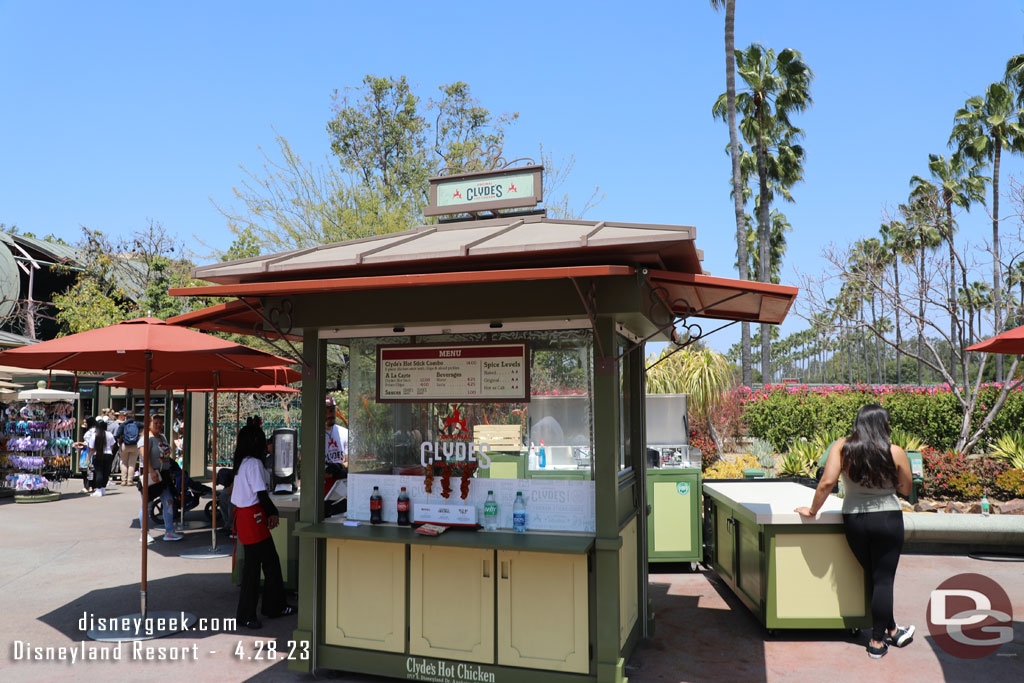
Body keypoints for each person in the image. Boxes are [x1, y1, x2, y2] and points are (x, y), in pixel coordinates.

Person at [795, 404, 915, 659]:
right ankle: (876, 641)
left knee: (873, 575)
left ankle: (892, 629)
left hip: (855, 521)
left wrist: (813, 510)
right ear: (884, 425)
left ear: (858, 423)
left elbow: (827, 483)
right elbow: (906, 489)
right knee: (883, 579)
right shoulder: (895, 452)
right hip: (888, 520)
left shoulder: (842, 447)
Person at [231, 418, 294, 629]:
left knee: (259, 565)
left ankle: (260, 609)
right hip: (254, 517)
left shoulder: (241, 463)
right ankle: (263, 609)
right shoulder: (255, 463)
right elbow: (260, 493)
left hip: (245, 517)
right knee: (266, 565)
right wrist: (272, 512)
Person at [139, 413, 183, 543]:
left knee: (169, 501)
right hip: (151, 475)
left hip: (164, 474)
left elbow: (166, 453)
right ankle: (144, 533)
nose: (159, 425)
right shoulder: (145, 439)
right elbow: (144, 457)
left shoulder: (162, 437)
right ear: (149, 424)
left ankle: (169, 531)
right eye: (155, 423)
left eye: (160, 423)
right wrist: (151, 471)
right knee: (147, 505)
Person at [74, 416, 113, 497]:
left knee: (99, 472)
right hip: (108, 454)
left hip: (97, 454)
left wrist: (89, 458)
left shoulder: (94, 435)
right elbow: (112, 444)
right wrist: (110, 451)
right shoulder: (109, 434)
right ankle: (103, 489)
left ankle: (98, 490)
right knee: (106, 472)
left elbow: (91, 448)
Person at [324, 396, 348, 517]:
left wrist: (339, 467)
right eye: (326, 410)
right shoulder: (315, 434)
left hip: (341, 489)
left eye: (332, 410)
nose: (329, 414)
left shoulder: (344, 432)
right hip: (322, 491)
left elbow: (350, 462)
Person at [116, 411, 142, 487]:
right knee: (132, 463)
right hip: (134, 445)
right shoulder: (137, 424)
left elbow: (117, 435)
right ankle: (130, 481)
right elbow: (145, 425)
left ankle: (123, 481)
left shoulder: (123, 424)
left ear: (126, 417)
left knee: (124, 463)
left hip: (125, 445)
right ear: (133, 416)